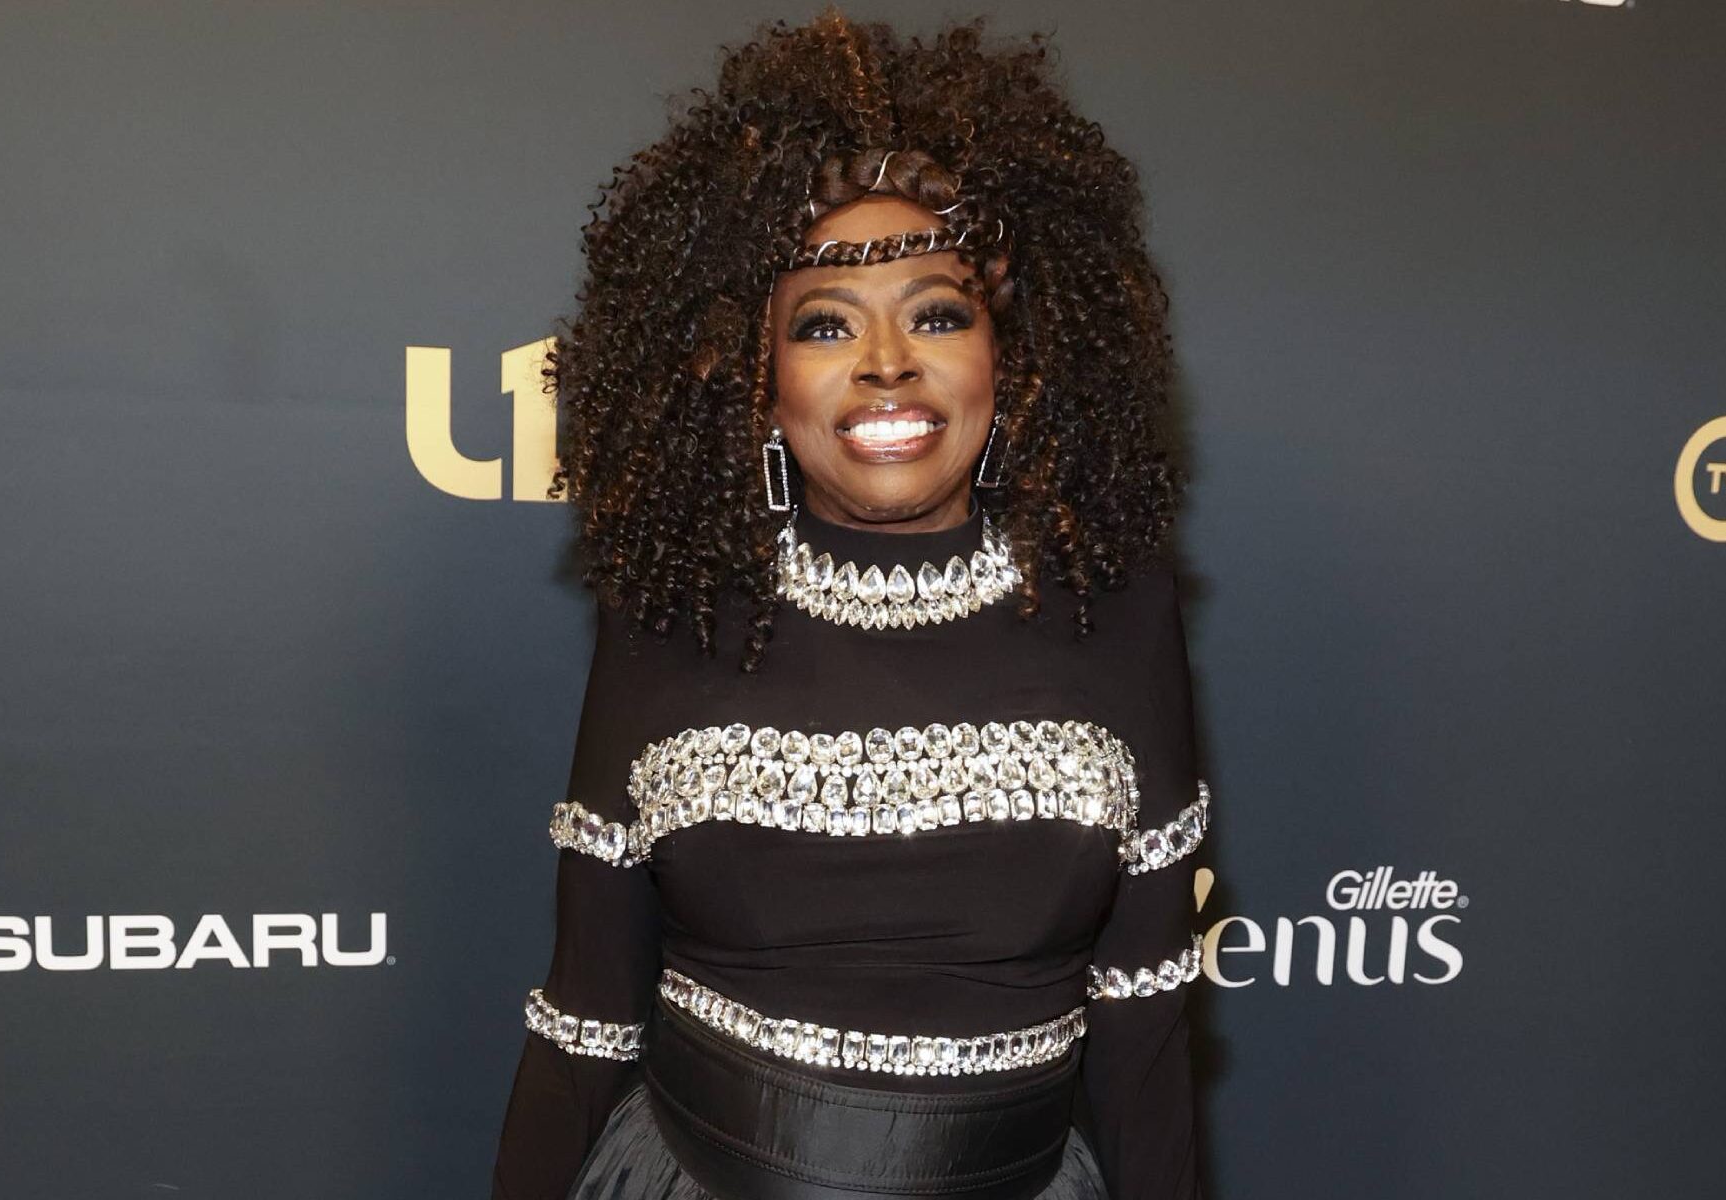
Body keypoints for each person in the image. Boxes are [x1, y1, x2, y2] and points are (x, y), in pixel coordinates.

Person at [492, 9, 1209, 1198]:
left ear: (1009, 358)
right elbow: (584, 1023)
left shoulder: (1111, 604)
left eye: (937, 312)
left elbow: (1144, 1039)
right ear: (754, 375)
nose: (886, 361)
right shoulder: (676, 609)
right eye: (824, 323)